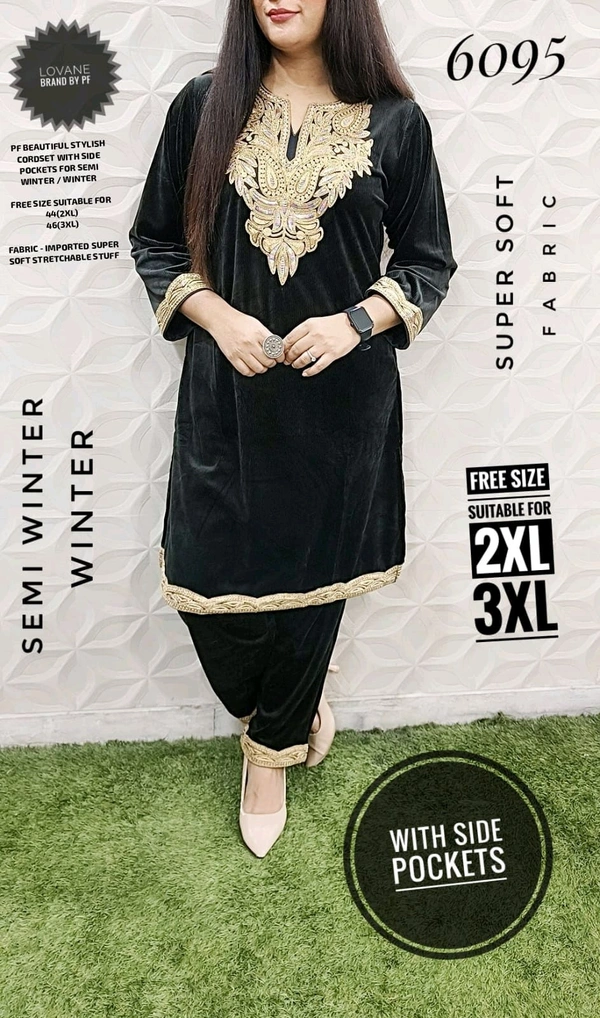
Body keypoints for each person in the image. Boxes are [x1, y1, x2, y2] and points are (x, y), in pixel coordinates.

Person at [129, 0, 458, 857]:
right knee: (205, 586)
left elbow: (428, 262)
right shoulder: (204, 106)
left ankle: (268, 757)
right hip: (226, 399)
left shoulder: (396, 123)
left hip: (340, 407)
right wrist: (217, 317)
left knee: (314, 586)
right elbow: (156, 243)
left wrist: (354, 322)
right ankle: (294, 708)